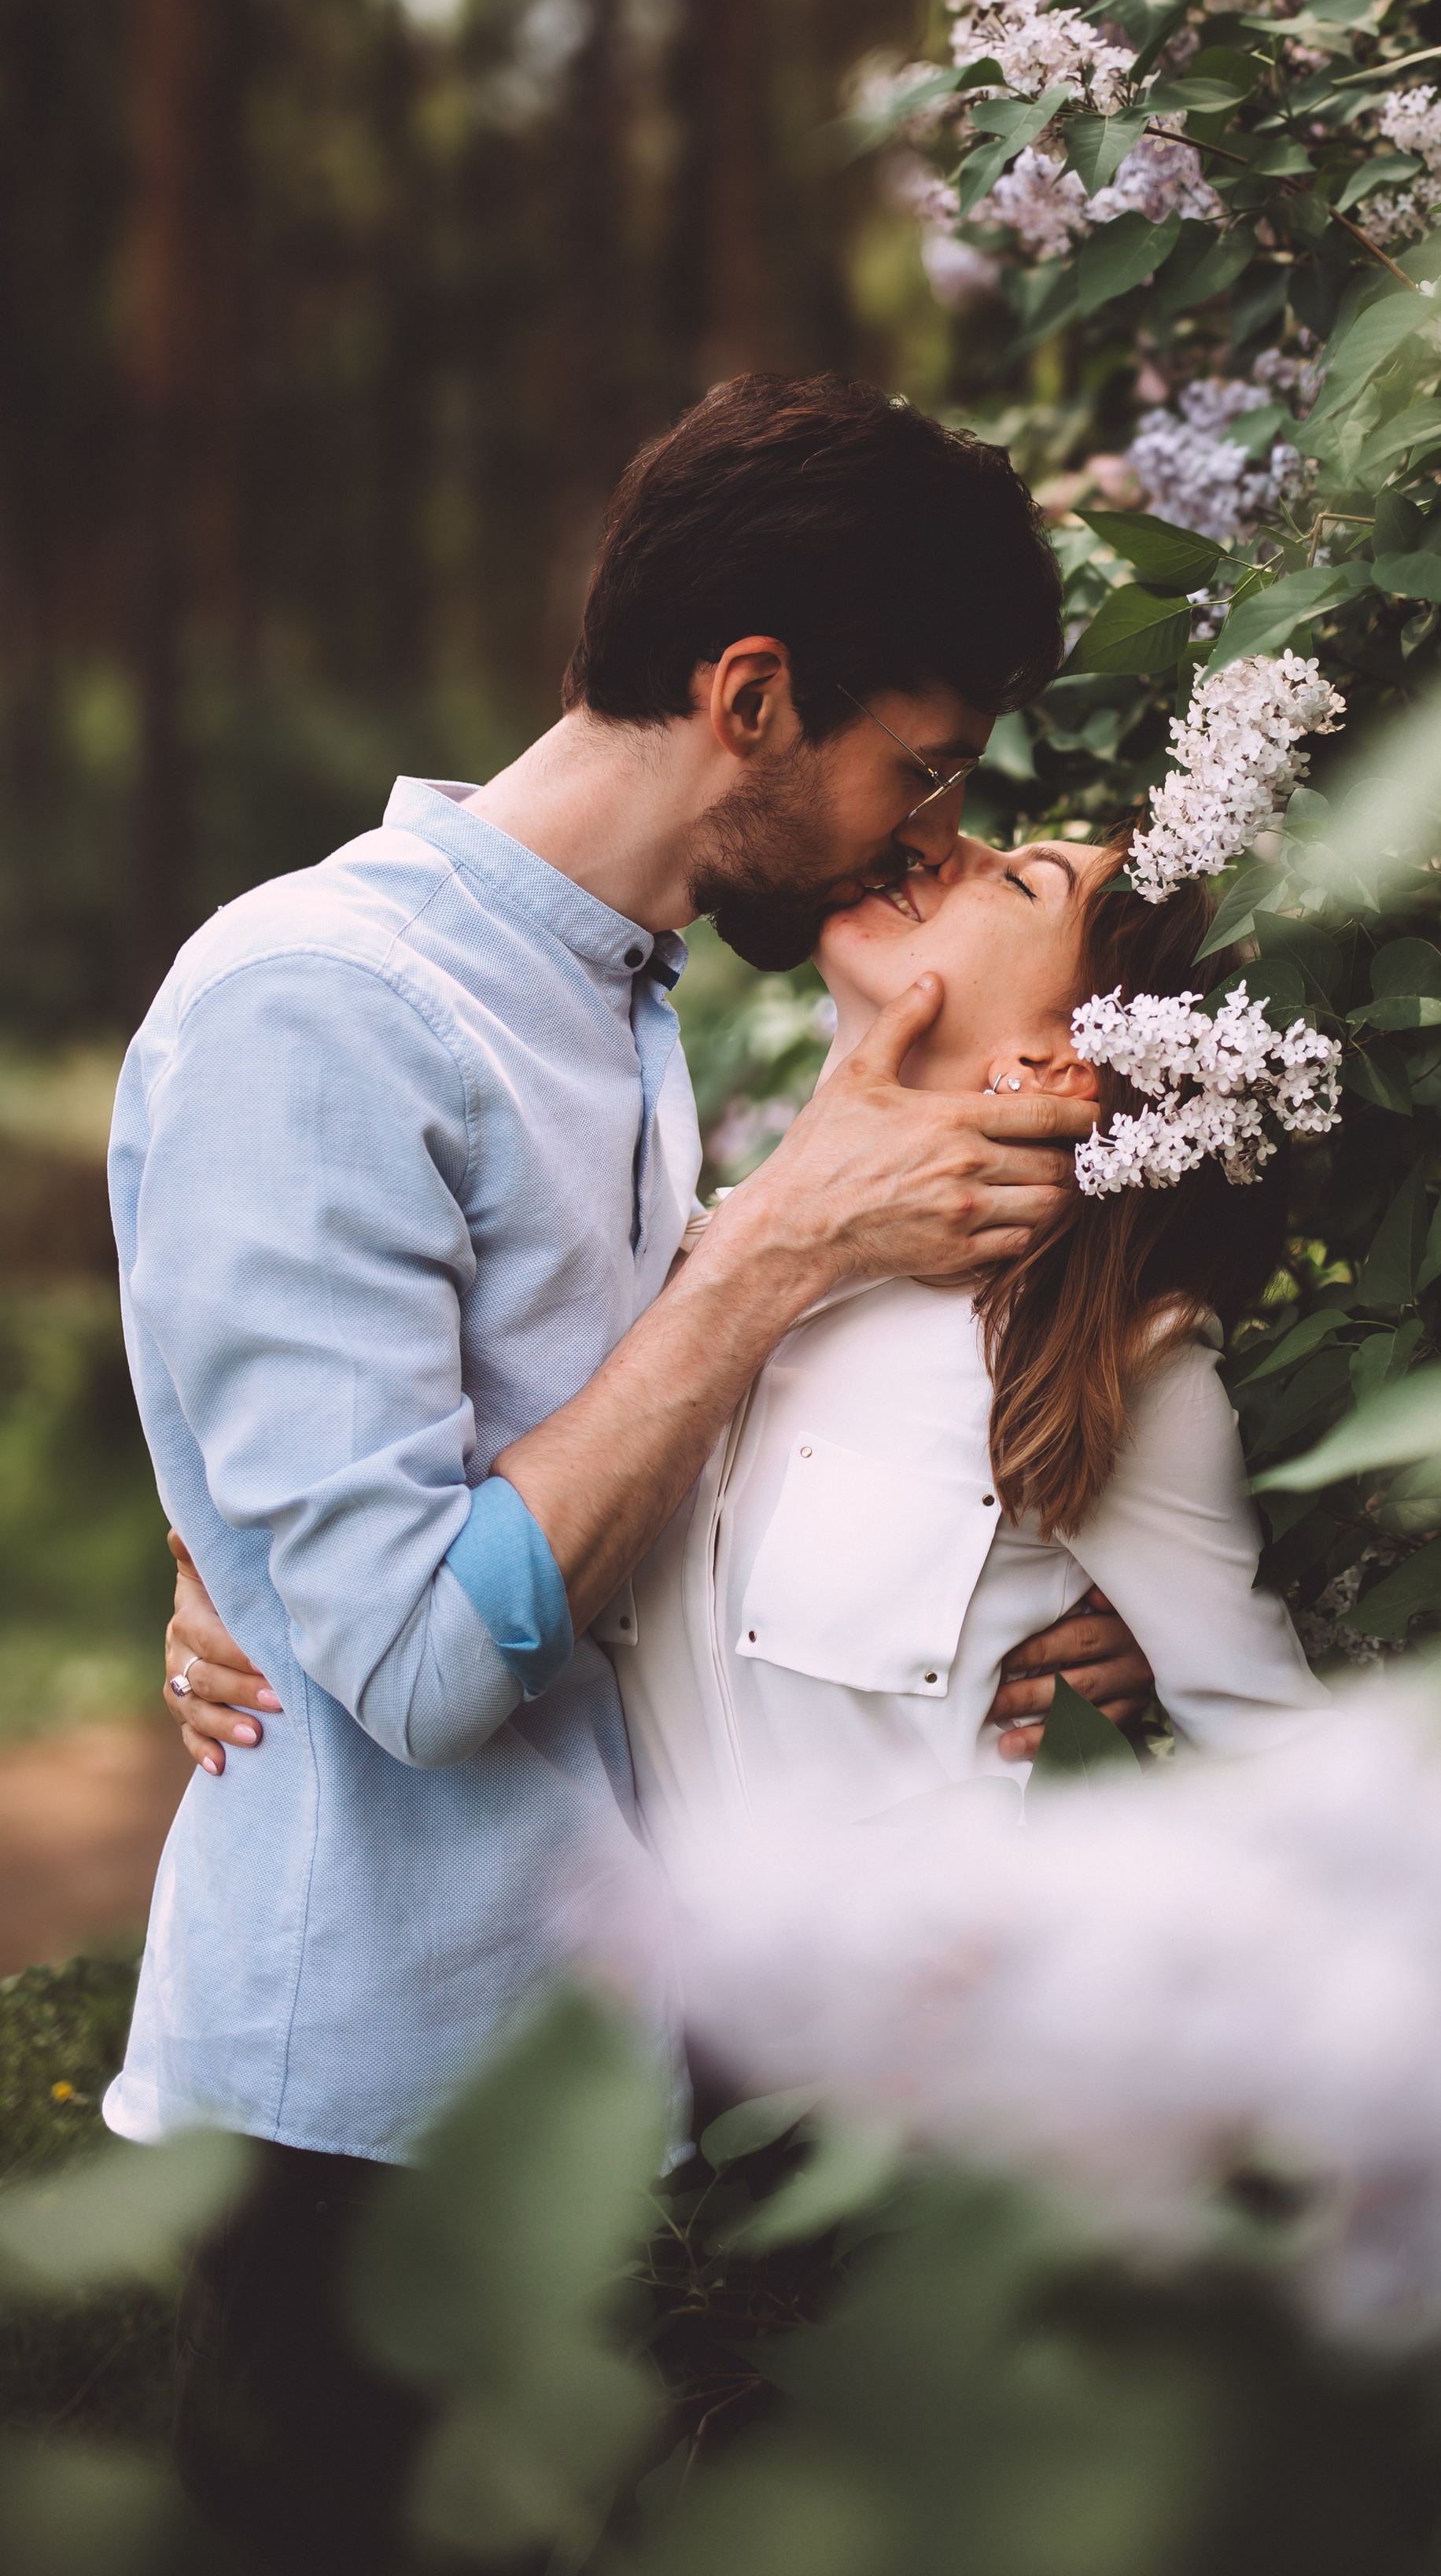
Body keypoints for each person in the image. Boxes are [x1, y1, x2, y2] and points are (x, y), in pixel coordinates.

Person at [114, 374, 1153, 2563]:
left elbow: (586, 1471)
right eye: (919, 766)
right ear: (753, 695)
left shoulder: (614, 999)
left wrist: (1008, 1620)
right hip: (371, 2152)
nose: (923, 830)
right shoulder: (321, 1003)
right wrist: (777, 1242)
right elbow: (408, 1654)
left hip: (602, 2086)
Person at [621, 827, 1326, 1866]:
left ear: (1053, 1065)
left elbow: (1280, 1760)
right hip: (655, 2020)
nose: (941, 843)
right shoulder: (663, 1273)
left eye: (1018, 879)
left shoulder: (1101, 1364)